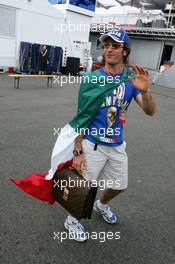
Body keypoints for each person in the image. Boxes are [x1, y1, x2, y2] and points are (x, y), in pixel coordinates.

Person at [63, 28, 156, 242]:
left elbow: (150, 111)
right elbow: (81, 117)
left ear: (125, 50)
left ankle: (101, 204)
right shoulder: (92, 79)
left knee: (119, 186)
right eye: (106, 45)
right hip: (92, 144)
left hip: (116, 145)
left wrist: (146, 92)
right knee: (83, 189)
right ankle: (71, 220)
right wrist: (77, 151)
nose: (109, 49)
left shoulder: (131, 80)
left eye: (115, 45)